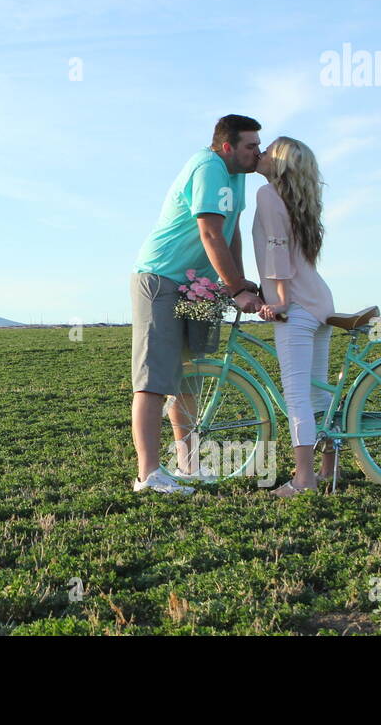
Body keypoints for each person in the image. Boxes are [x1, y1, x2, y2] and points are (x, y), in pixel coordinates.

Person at [130, 114, 263, 495]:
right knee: (154, 380)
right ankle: (149, 474)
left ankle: (187, 464)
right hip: (161, 278)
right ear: (227, 147)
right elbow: (208, 230)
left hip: (197, 283)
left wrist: (237, 279)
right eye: (250, 146)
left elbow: (230, 228)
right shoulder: (208, 167)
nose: (259, 152)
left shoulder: (236, 175)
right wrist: (237, 289)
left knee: (191, 376)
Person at [252, 136, 337, 497]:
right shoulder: (300, 201)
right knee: (318, 393)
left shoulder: (268, 194)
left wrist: (281, 300)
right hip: (319, 302)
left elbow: (277, 249)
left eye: (268, 151)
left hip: (297, 306)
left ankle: (303, 480)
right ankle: (328, 469)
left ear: (279, 162)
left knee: (298, 395)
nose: (260, 154)